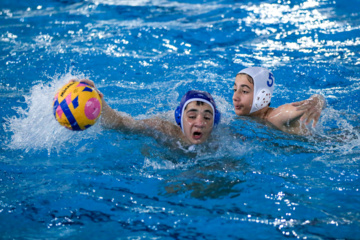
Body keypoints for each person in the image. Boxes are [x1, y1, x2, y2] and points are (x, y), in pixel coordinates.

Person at [74, 79, 221, 146]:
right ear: (179, 118)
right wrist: (101, 103)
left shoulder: (222, 141)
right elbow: (120, 124)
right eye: (192, 116)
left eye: (207, 117)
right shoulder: (163, 129)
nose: (200, 123)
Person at [232, 67, 326, 135]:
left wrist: (315, 102)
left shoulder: (276, 117)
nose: (235, 97)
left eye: (244, 91)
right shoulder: (246, 118)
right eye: (235, 89)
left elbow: (318, 99)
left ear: (262, 95)